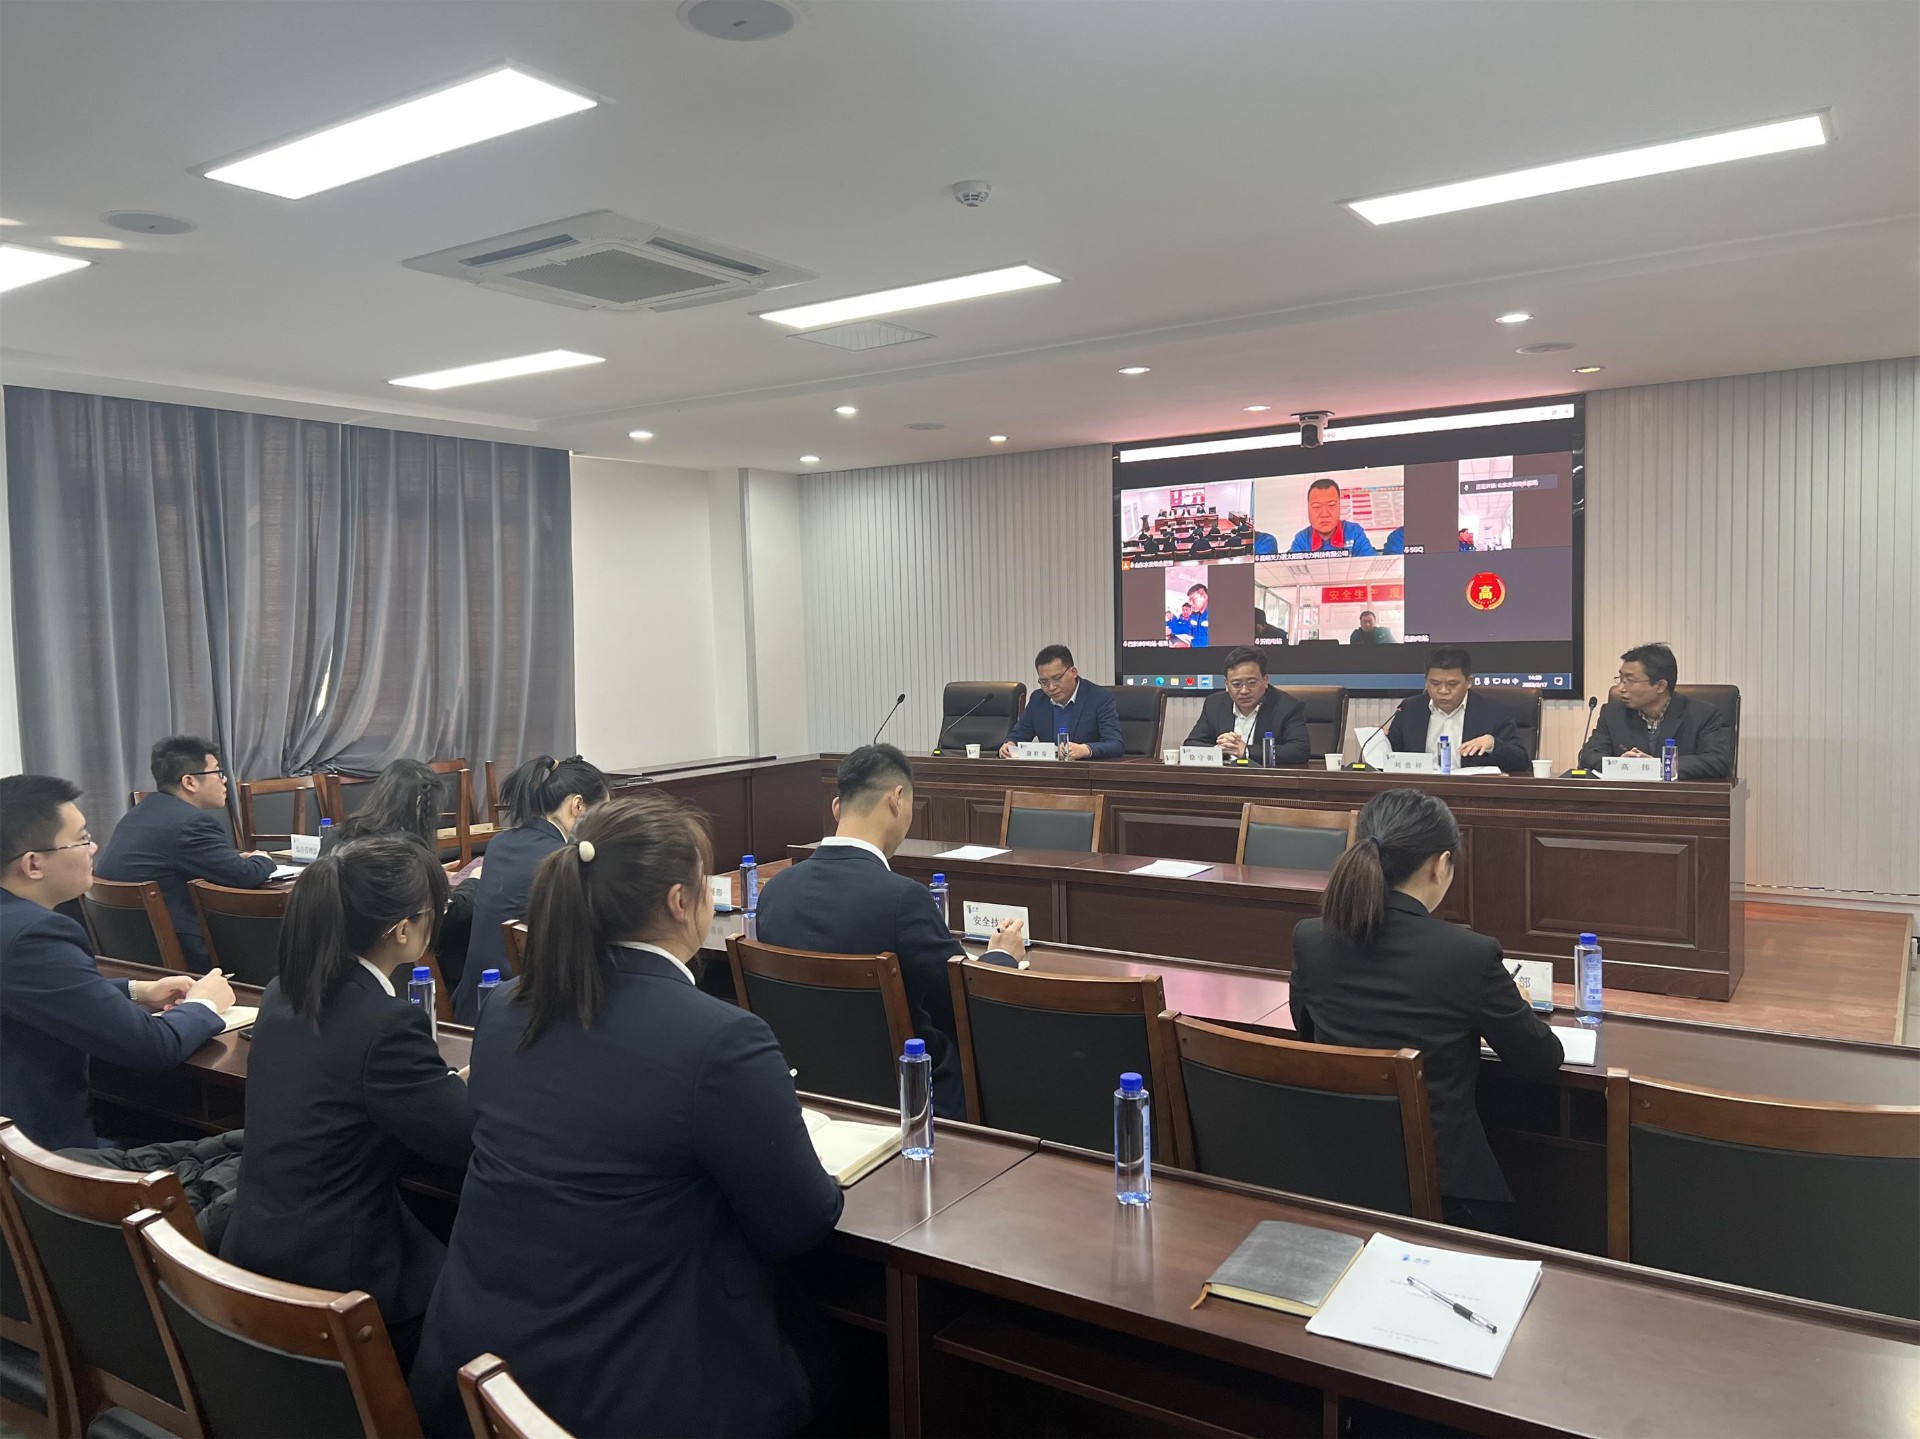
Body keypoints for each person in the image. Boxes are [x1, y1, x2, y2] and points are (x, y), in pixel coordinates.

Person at [409, 794, 845, 1438]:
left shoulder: (507, 1009)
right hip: (627, 1391)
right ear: (680, 901)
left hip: (476, 1372)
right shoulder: (721, 1040)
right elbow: (800, 1222)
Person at [221, 836, 471, 1371]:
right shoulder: (385, 1024)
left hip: (254, 1242)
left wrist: (436, 1083)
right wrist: (459, 1086)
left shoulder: (284, 991)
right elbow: (462, 1139)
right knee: (478, 1293)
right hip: (338, 1276)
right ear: (402, 929)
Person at [1290, 791, 1563, 1233]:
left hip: (1338, 1174)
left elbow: (1306, 1033)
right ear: (1440, 864)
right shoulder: (1469, 955)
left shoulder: (1310, 938)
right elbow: (1540, 1060)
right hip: (1447, 1194)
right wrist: (1515, 1008)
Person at [755, 746, 1024, 1119]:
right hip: (903, 1100)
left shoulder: (775, 892)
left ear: (837, 808)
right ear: (897, 799)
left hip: (803, 1095)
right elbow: (969, 1002)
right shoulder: (902, 900)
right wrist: (1002, 956)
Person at [1, 774, 236, 1152]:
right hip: (46, 1159)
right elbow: (152, 1047)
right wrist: (204, 1003)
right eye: (82, 839)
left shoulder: (14, 928)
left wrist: (136, 990)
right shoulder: (35, 936)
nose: (93, 847)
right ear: (33, 864)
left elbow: (31, 990)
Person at [94, 735, 276, 971]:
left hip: (131, 950)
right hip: (186, 952)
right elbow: (245, 875)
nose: (224, 780)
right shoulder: (192, 823)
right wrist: (263, 859)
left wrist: (232, 858)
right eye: (218, 772)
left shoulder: (140, 813)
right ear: (190, 782)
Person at [456, 754, 609, 1021]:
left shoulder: (500, 843)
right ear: (578, 805)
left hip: (473, 1006)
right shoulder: (562, 858)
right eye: (603, 813)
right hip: (521, 1012)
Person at [340, 759, 477, 987]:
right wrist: (474, 882)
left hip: (344, 960)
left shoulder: (339, 835)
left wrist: (426, 876)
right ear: (419, 804)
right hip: (396, 968)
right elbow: (446, 914)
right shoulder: (406, 849)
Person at [1578, 643, 1732, 779]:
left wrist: (1656, 766)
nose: (1621, 688)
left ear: (1660, 686)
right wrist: (1622, 764)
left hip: (1680, 798)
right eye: (1620, 679)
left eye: (1630, 680)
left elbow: (1718, 761)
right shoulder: (1613, 713)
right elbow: (1588, 756)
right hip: (1625, 797)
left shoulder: (1702, 714)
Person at [1381, 647, 1530, 773]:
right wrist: (1379, 741)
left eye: (1452, 684)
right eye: (1435, 683)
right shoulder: (1409, 709)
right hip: (1419, 791)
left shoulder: (1494, 712)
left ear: (1469, 682)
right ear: (1426, 681)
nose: (1443, 691)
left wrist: (1493, 744)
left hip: (1471, 792)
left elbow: (1522, 762)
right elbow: (1387, 759)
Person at [1182, 647, 1310, 764]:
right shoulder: (1214, 704)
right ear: (1226, 684)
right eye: (1236, 684)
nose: (1244, 691)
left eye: (1251, 683)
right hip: (1224, 777)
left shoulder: (1288, 706)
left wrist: (1246, 751)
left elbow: (1300, 750)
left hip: (1266, 778)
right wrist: (1220, 750)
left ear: (1265, 681)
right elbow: (1191, 745)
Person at [1000, 645, 1123, 760]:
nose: (1051, 687)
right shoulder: (1038, 699)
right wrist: (1009, 745)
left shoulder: (1099, 697)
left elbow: (1115, 744)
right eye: (1044, 682)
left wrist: (1085, 749)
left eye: (1057, 679)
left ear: (1073, 672)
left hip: (1086, 770)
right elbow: (1018, 736)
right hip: (1049, 771)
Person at [1288, 479, 1378, 555]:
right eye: (1316, 507)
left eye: (1331, 505)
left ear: (1339, 506)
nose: (1324, 514)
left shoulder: (1354, 532)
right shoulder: (1302, 540)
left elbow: (1369, 565)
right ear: (1308, 509)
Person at [1184, 583, 1211, 647]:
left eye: (1193, 599)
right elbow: (1190, 632)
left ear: (1204, 595)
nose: (1190, 603)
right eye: (1189, 600)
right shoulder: (1193, 616)